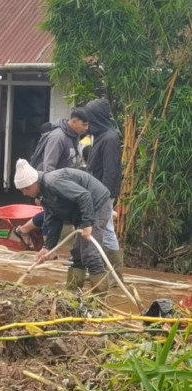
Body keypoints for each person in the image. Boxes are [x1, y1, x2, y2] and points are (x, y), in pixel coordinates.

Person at [14, 158, 116, 295]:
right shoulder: (44, 194)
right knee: (77, 254)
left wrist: (87, 224)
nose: (24, 194)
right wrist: (47, 247)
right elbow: (53, 220)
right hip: (83, 210)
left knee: (90, 254)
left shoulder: (53, 182)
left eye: (24, 190)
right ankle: (72, 294)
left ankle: (101, 298)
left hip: (97, 204)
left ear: (32, 184)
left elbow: (84, 196)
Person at [19, 110, 89, 244]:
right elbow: (48, 167)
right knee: (51, 215)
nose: (86, 128)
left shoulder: (74, 136)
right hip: (52, 186)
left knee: (54, 215)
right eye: (84, 125)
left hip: (63, 186)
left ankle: (28, 233)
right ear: (74, 121)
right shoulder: (58, 137)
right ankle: (47, 248)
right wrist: (43, 194)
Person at [84, 97, 123, 284]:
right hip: (97, 190)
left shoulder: (110, 138)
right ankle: (110, 273)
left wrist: (104, 195)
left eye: (90, 118)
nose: (88, 122)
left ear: (97, 118)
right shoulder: (101, 136)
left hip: (104, 192)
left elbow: (111, 170)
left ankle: (111, 274)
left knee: (104, 229)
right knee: (105, 229)